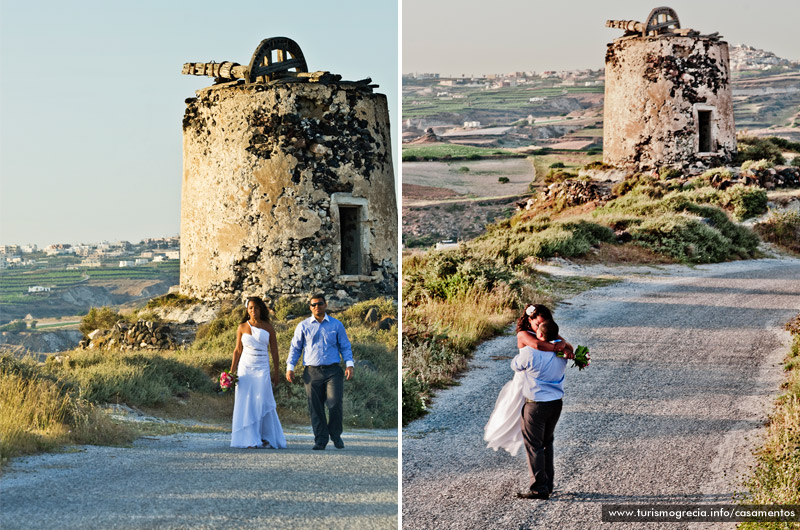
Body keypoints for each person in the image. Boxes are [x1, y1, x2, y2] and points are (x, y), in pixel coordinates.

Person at [286, 293, 354, 450]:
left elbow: (344, 345)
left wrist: (349, 364)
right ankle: (320, 439)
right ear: (310, 307)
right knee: (315, 406)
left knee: (335, 403)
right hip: (312, 372)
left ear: (326, 305)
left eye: (320, 304)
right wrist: (290, 367)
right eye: (313, 304)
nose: (317, 307)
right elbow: (295, 348)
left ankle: (335, 435)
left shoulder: (336, 325)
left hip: (333, 371)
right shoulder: (303, 326)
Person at [513, 318, 568, 500]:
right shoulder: (562, 354)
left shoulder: (531, 353)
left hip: (535, 404)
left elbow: (515, 365)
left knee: (534, 445)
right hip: (556, 403)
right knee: (547, 443)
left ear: (540, 334)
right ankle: (548, 483)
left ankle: (539, 488)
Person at [230, 297, 287, 449]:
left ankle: (265, 436)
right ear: (247, 310)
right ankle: (249, 438)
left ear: (261, 309)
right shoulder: (242, 327)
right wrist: (231, 372)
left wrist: (276, 372)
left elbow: (274, 352)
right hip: (245, 368)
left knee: (262, 401)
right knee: (247, 401)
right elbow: (237, 350)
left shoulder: (268, 327)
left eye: (256, 308)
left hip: (262, 367)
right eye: (250, 308)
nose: (253, 311)